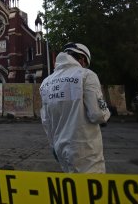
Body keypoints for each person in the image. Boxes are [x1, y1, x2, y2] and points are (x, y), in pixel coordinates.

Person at [39, 42, 111, 173]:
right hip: (85, 149)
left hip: (60, 150)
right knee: (91, 190)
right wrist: (106, 114)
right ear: (83, 60)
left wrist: (53, 145)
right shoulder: (86, 75)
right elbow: (97, 114)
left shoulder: (46, 83)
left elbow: (46, 121)